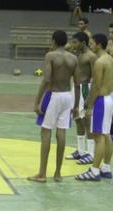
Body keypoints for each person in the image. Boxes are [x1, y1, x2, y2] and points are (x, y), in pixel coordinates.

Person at [29, 30, 80, 183]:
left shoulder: (50, 56)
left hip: (54, 95)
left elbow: (46, 79)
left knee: (45, 132)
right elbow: (77, 84)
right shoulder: (73, 58)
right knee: (62, 132)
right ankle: (58, 173)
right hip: (67, 96)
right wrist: (76, 105)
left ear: (53, 41)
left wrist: (37, 100)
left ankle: (42, 174)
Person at [75, 34, 113, 181]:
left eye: (92, 43)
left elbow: (96, 86)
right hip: (109, 98)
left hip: (101, 100)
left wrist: (89, 104)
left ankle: (94, 170)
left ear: (98, 44)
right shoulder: (110, 59)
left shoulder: (99, 62)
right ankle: (106, 167)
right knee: (107, 135)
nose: (90, 45)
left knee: (98, 136)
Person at [66, 32, 96, 164]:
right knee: (77, 118)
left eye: (75, 42)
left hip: (85, 88)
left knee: (86, 121)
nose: (73, 45)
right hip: (76, 88)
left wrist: (90, 95)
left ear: (83, 43)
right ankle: (81, 151)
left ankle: (90, 153)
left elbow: (95, 77)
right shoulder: (77, 54)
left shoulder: (91, 56)